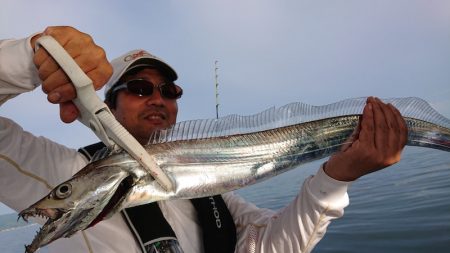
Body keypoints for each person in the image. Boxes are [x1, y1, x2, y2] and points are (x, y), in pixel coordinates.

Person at [0, 26, 407, 253]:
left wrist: (335, 179)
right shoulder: (60, 172)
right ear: (108, 103)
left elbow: (271, 247)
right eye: (140, 88)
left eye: (169, 91)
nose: (157, 99)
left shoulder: (211, 193)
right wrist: (31, 59)